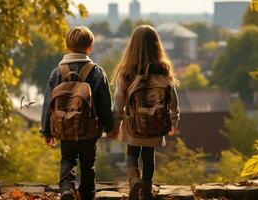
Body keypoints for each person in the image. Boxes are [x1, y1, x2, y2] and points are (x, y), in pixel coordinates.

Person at [40, 26, 114, 200]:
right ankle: (88, 194)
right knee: (88, 164)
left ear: (67, 46)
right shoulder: (97, 72)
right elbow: (104, 104)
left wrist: (46, 131)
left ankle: (67, 189)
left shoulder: (57, 72)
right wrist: (110, 126)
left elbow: (48, 104)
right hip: (89, 129)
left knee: (67, 159)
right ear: (89, 47)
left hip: (64, 128)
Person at [111, 25, 180, 200]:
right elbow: (173, 99)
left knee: (132, 154)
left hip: (133, 124)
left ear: (132, 46)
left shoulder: (126, 72)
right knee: (149, 157)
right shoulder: (163, 71)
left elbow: (118, 101)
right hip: (156, 124)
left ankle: (134, 179)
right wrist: (173, 121)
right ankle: (146, 192)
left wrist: (115, 123)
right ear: (157, 46)